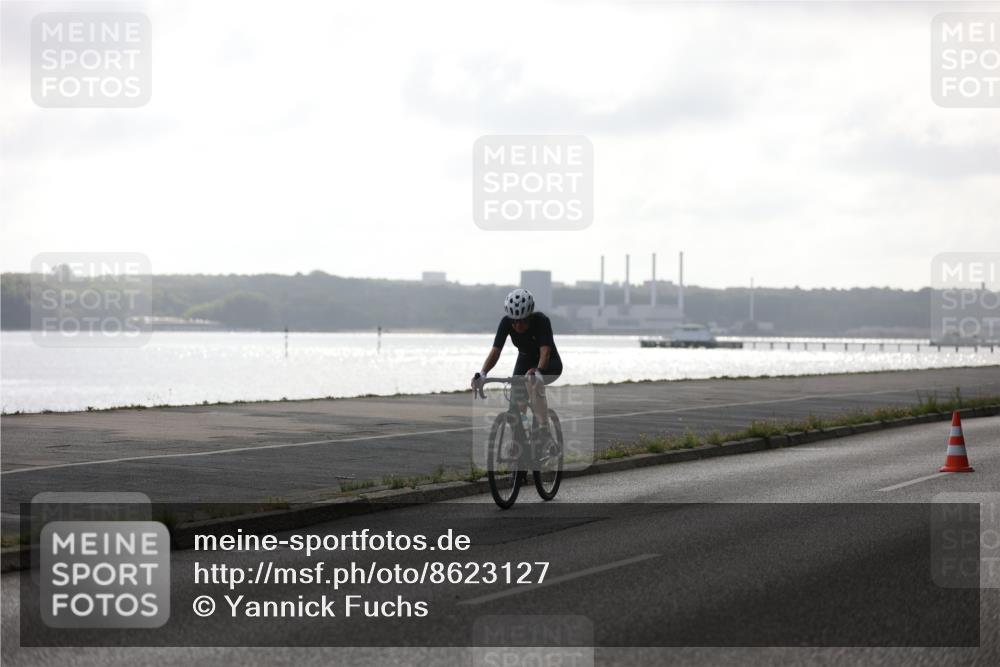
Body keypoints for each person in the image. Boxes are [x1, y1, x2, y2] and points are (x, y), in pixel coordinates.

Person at [472, 288, 563, 441]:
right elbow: (495, 351)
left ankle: (544, 429)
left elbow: (545, 352)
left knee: (532, 379)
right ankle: (519, 445)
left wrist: (539, 372)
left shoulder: (542, 321)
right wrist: (482, 374)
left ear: (530, 315)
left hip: (548, 363)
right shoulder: (506, 322)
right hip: (525, 359)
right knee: (516, 406)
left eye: (523, 320)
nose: (518, 325)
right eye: (514, 321)